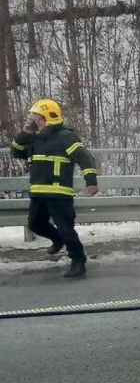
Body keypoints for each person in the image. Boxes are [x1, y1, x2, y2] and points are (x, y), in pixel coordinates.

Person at [10, 99, 99, 278]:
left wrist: (91, 180)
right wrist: (24, 133)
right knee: (35, 224)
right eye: (34, 118)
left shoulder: (65, 136)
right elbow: (16, 152)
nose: (35, 121)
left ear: (49, 117)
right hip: (38, 192)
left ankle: (78, 262)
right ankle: (57, 239)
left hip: (59, 194)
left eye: (38, 118)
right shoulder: (34, 138)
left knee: (66, 229)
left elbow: (85, 158)